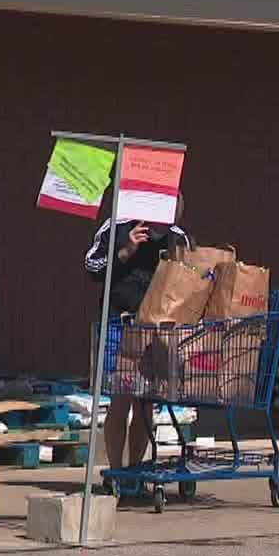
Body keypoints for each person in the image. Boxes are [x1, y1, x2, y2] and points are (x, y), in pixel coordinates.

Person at [84, 204, 192, 483]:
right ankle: (116, 473)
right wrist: (125, 251)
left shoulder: (177, 237)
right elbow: (91, 266)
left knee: (144, 404)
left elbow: (194, 279)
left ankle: (135, 471)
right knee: (119, 399)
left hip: (155, 329)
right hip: (119, 322)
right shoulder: (117, 226)